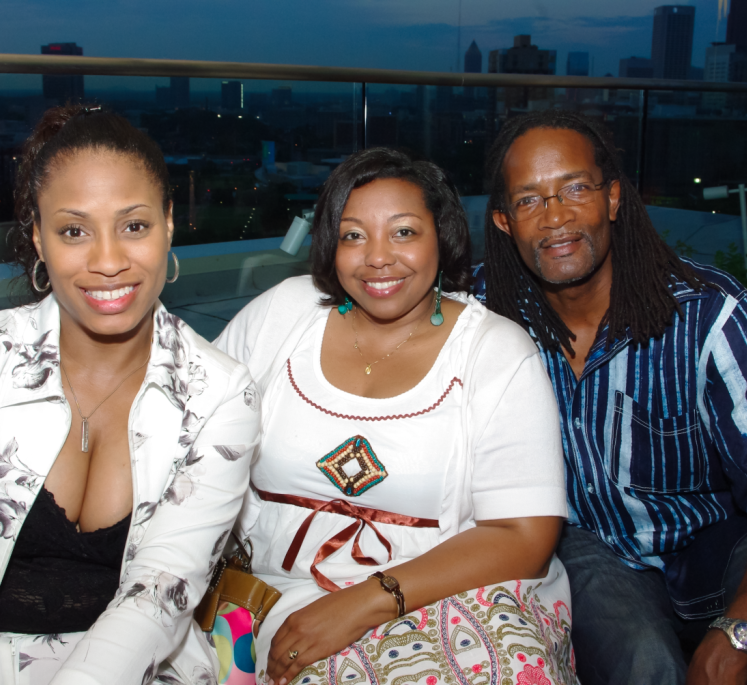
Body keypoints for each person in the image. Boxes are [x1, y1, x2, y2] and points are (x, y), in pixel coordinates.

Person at [473, 109, 747, 685]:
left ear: (612, 199)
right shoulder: (482, 312)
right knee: (645, 661)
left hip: (713, 541)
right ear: (505, 222)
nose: (556, 217)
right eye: (530, 200)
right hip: (584, 548)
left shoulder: (709, 314)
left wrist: (738, 636)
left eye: (575, 188)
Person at [0, 106, 260, 685]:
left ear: (170, 225)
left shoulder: (221, 393)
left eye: (134, 226)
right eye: (74, 230)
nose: (107, 261)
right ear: (38, 238)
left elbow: (160, 595)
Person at [215, 148, 575, 685]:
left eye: (404, 232)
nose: (377, 258)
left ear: (443, 236)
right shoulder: (284, 314)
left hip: (448, 595)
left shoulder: (495, 352)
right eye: (353, 235)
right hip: (271, 594)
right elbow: (191, 425)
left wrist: (367, 601)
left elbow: (524, 534)